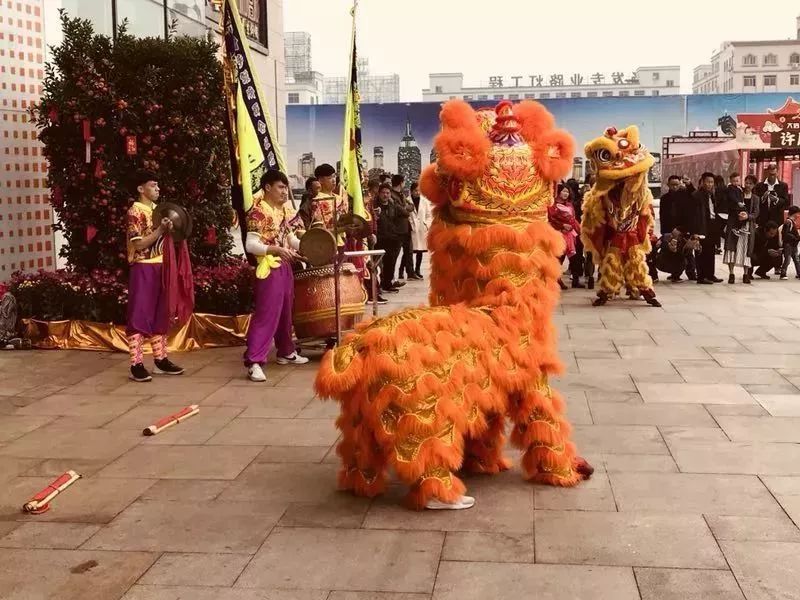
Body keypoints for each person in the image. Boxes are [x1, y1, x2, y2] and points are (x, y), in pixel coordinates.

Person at [243, 169, 309, 383]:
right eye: (280, 187)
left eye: (285, 187)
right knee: (267, 314)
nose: (284, 191)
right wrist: (275, 250)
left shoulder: (281, 211)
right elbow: (251, 245)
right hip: (268, 267)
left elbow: (290, 239)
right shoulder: (257, 212)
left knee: (285, 312)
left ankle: (285, 351)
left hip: (284, 266)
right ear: (268, 187)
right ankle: (254, 361)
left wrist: (311, 245)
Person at [126, 170, 185, 382]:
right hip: (143, 267)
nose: (157, 189)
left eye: (158, 185)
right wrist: (161, 230)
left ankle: (160, 360)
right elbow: (138, 243)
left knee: (161, 313)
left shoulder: (158, 211)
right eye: (153, 185)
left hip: (162, 266)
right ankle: (137, 363)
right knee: (140, 314)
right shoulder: (135, 211)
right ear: (141, 189)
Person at [688, 172, 724, 285]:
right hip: (702, 226)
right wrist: (695, 232)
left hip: (712, 225)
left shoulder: (712, 194)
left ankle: (710, 274)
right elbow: (693, 215)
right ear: (702, 182)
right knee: (701, 251)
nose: (710, 184)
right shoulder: (696, 195)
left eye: (712, 182)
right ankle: (701, 276)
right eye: (708, 182)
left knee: (711, 251)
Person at [723, 173, 759, 284]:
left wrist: (748, 216)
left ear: (754, 185)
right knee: (731, 248)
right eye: (746, 182)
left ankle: (745, 274)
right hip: (734, 223)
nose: (747, 185)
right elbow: (729, 204)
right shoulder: (737, 192)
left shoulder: (756, 198)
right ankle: (731, 273)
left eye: (750, 184)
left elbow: (756, 213)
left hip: (747, 226)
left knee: (746, 250)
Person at [375, 183, 408, 294]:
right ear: (379, 193)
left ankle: (388, 284)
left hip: (392, 237)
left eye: (388, 193)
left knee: (391, 262)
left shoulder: (392, 205)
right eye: (383, 193)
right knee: (378, 263)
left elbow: (405, 213)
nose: (385, 195)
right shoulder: (374, 205)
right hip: (379, 238)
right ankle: (377, 285)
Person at [548, 185, 582, 289]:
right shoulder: (553, 206)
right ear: (558, 192)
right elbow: (551, 219)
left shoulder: (570, 205)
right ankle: (556, 279)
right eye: (563, 191)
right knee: (560, 257)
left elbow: (573, 218)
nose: (566, 194)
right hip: (559, 234)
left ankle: (575, 279)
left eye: (567, 192)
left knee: (576, 258)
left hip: (571, 234)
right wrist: (562, 226)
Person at [310, 163, 348, 242]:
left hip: (343, 241)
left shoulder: (339, 199)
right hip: (326, 243)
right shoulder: (317, 201)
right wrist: (343, 229)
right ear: (320, 180)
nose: (334, 180)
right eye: (329, 178)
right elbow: (319, 230)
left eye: (334, 176)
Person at [391, 174, 416, 281]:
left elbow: (411, 205)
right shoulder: (392, 195)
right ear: (401, 183)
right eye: (404, 182)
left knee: (409, 251)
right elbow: (400, 210)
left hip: (406, 227)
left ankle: (410, 272)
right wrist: (405, 209)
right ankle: (390, 276)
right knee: (394, 253)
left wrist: (405, 208)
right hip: (397, 228)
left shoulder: (401, 195)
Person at [409, 182, 432, 279]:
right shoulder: (407, 201)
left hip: (421, 229)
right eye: (415, 191)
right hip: (412, 229)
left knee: (420, 251)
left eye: (419, 191)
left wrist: (426, 224)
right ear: (411, 191)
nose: (417, 192)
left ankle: (417, 269)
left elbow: (429, 215)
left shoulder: (425, 201)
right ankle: (404, 270)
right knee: (409, 251)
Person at [780, 206, 800, 280]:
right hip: (789, 244)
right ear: (794, 213)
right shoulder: (788, 222)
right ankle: (783, 273)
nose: (798, 215)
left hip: (793, 244)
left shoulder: (791, 222)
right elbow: (785, 233)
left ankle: (799, 273)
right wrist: (795, 237)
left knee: (796, 259)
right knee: (787, 259)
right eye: (797, 214)